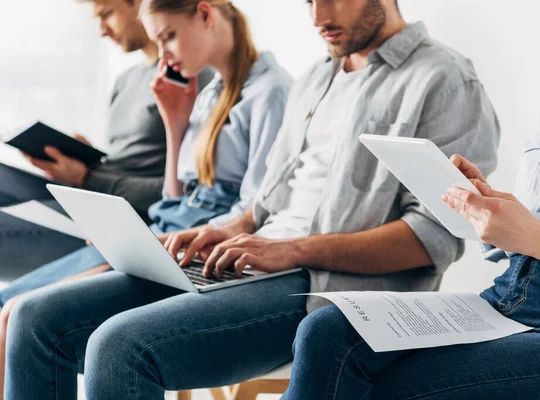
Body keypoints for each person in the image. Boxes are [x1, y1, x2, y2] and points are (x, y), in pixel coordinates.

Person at [3, 0, 499, 398]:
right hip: (256, 262)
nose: (318, 16)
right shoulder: (316, 78)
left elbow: (433, 241)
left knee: (118, 347)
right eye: (308, 0)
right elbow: (265, 205)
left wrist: (292, 250)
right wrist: (227, 229)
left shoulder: (443, 78)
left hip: (324, 291)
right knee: (34, 318)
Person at [281, 1, 540, 398]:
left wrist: (538, 239)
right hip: (512, 291)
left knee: (383, 387)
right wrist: (492, 208)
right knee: (325, 331)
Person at [0, 0, 214, 278]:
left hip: (125, 213)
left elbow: (187, 193)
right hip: (96, 191)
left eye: (107, 15)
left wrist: (88, 178)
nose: (102, 31)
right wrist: (89, 159)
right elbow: (126, 159)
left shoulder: (189, 77)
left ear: (138, 5)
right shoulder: (126, 80)